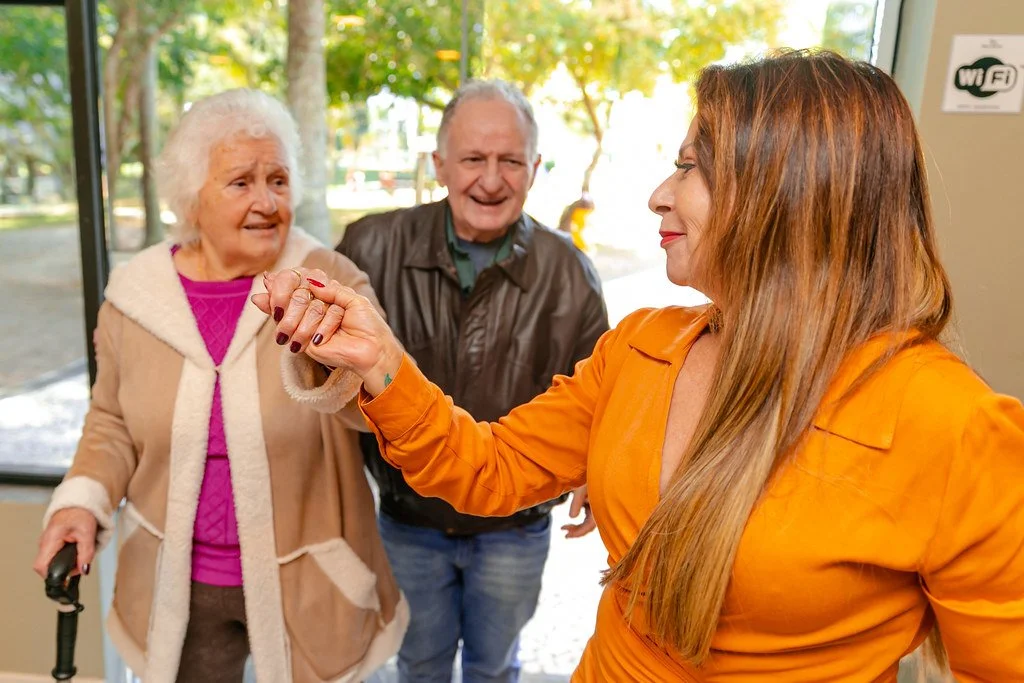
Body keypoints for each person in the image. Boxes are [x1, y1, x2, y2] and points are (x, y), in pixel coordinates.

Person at [259, 50, 1024, 681]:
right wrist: (382, 360)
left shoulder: (953, 427)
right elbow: (487, 466)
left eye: (690, 168)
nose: (659, 195)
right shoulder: (643, 347)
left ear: (786, 194)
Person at [33, 89, 408, 683]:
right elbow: (111, 422)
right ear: (193, 199)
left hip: (311, 579)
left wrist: (339, 363)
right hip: (176, 582)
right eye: (241, 182)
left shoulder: (327, 280)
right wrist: (81, 502)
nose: (267, 202)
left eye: (279, 180)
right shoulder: (135, 297)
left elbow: (384, 406)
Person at [333, 79, 609, 682]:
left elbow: (600, 394)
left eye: (510, 161)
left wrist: (597, 469)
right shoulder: (369, 245)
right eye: (473, 159)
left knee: (493, 668)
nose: (491, 180)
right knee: (421, 664)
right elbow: (326, 373)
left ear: (534, 168)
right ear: (439, 164)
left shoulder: (570, 272)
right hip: (410, 519)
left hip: (515, 528)